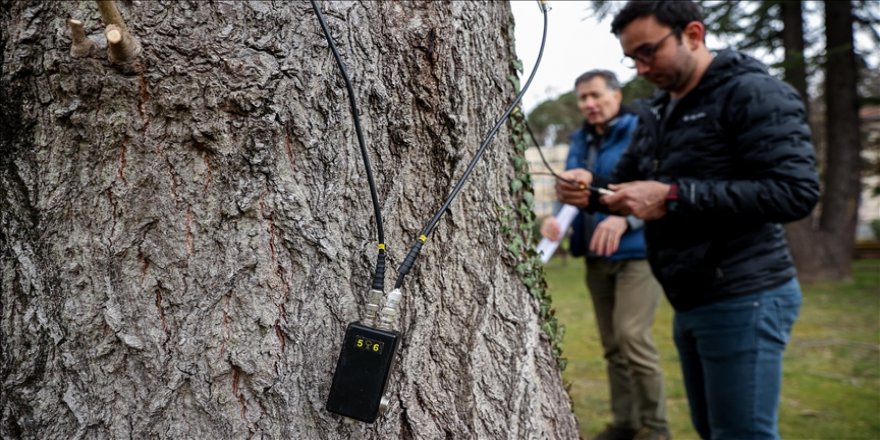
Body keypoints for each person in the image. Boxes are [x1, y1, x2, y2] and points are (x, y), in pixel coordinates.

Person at [555, 2, 821, 439]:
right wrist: (589, 191)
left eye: (648, 52)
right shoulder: (659, 109)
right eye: (631, 58)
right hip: (691, 296)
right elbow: (626, 187)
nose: (639, 69)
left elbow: (795, 192)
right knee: (711, 429)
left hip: (745, 293)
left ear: (693, 34)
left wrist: (674, 196)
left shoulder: (753, 93)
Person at [540, 70, 670, 440]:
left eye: (596, 95)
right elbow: (573, 193)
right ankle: (625, 423)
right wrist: (555, 220)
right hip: (596, 256)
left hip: (636, 255)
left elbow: (656, 189)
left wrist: (625, 220)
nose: (589, 104)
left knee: (632, 337)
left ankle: (657, 429)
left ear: (617, 94)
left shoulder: (639, 129)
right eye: (582, 98)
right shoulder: (579, 139)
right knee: (613, 345)